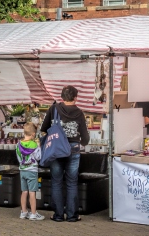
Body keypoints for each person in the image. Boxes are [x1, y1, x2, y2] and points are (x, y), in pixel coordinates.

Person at [40, 85, 90, 222]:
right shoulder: (79, 113)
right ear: (75, 97)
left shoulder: (53, 109)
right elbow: (85, 137)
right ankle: (72, 216)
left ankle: (58, 215)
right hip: (73, 149)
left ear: (62, 97)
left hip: (56, 150)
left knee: (56, 182)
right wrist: (83, 142)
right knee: (71, 183)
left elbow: (44, 129)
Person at [16, 122, 43, 221]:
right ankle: (33, 213)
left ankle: (23, 212)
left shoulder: (18, 144)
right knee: (32, 192)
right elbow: (38, 157)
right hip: (32, 171)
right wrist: (39, 147)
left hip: (22, 170)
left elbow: (18, 158)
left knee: (24, 191)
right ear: (33, 134)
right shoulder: (34, 145)